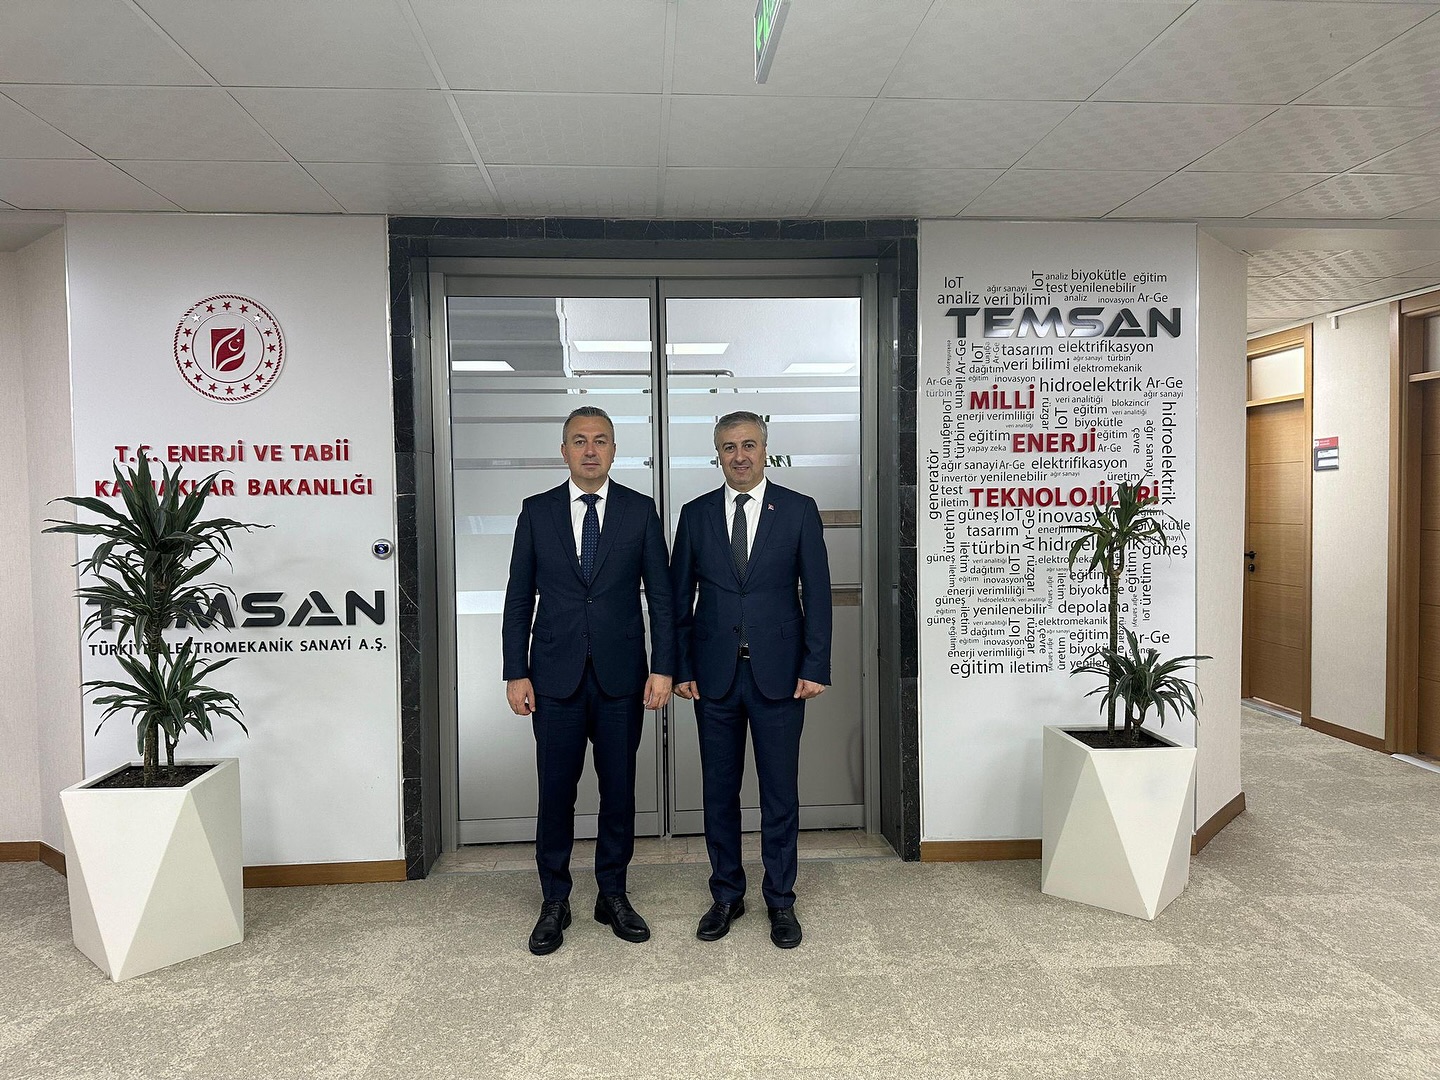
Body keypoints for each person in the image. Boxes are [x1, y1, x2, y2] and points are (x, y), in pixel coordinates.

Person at [502, 406, 674, 956]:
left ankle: (612, 895)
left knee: (618, 790)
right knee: (556, 791)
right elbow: (518, 598)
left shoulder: (639, 511)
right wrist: (515, 671)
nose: (591, 450)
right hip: (554, 677)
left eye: (601, 440)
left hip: (622, 677)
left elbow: (663, 599)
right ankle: (555, 900)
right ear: (564, 451)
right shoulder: (537, 512)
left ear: (614, 450)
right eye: (580, 440)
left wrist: (663, 667)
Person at [671, 410, 832, 949]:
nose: (739, 456)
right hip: (713, 678)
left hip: (781, 677)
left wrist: (815, 665)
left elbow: (818, 593)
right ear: (717, 454)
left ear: (765, 449)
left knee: (779, 792)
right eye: (728, 447)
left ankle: (780, 899)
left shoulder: (799, 510)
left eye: (748, 445)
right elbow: (679, 601)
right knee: (719, 792)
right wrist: (682, 667)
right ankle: (726, 895)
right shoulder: (695, 514)